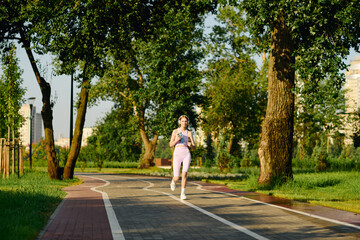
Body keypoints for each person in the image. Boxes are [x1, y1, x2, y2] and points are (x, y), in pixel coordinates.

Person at [169, 115, 195, 200]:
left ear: (187, 123)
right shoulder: (175, 131)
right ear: (180, 122)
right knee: (177, 177)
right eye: (182, 121)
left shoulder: (189, 133)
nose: (184, 123)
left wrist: (191, 145)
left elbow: (194, 146)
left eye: (185, 121)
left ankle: (182, 193)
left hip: (186, 153)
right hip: (177, 153)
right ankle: (173, 181)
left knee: (184, 174)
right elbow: (170, 144)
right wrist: (177, 139)